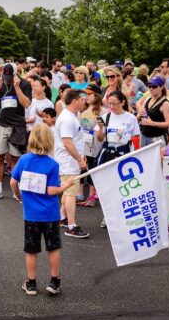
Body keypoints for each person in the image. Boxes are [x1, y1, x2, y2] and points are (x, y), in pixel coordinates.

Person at [11, 123, 75, 296]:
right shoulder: (52, 164)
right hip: (50, 214)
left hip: (31, 215)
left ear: (32, 140)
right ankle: (54, 282)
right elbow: (51, 190)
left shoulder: (23, 160)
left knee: (31, 249)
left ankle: (31, 283)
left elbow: (12, 182)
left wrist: (18, 196)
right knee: (53, 248)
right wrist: (66, 185)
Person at [0, 63, 32, 199]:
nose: (7, 79)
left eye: (10, 77)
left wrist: (16, 87)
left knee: (16, 158)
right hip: (0, 123)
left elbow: (26, 104)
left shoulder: (24, 84)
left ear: (16, 74)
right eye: (5, 76)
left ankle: (15, 188)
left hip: (17, 125)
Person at [96, 91, 140, 227]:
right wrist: (101, 127)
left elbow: (136, 137)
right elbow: (99, 138)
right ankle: (107, 216)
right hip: (108, 153)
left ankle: (122, 216)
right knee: (107, 187)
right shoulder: (106, 116)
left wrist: (135, 154)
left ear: (122, 102)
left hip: (123, 153)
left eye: (115, 103)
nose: (112, 106)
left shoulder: (130, 118)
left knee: (123, 186)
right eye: (110, 103)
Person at [54, 89, 89, 238]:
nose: (84, 101)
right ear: (75, 101)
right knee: (70, 194)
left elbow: (73, 141)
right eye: (82, 99)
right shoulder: (67, 119)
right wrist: (79, 160)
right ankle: (71, 226)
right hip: (68, 162)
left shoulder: (71, 116)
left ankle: (62, 218)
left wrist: (81, 156)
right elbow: (67, 143)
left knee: (68, 191)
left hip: (71, 161)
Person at [77, 84, 106, 207]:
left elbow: (103, 132)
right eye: (85, 94)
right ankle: (79, 194)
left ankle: (91, 195)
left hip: (96, 145)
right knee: (81, 169)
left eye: (89, 94)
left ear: (97, 95)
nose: (86, 96)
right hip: (83, 144)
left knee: (93, 169)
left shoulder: (103, 111)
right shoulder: (82, 110)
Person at [136, 76, 169, 147]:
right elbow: (140, 116)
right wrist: (139, 115)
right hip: (144, 136)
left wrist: (153, 123)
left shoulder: (165, 103)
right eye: (149, 86)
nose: (151, 89)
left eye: (154, 86)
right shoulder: (148, 98)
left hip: (157, 138)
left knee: (156, 158)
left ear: (161, 87)